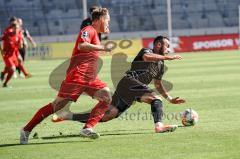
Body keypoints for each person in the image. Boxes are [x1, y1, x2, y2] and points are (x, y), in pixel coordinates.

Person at [52, 36, 186, 133]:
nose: (168, 49)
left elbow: (158, 84)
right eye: (167, 46)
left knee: (109, 114)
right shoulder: (146, 51)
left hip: (132, 90)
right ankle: (159, 126)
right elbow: (147, 58)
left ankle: (67, 116)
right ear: (158, 45)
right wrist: (167, 57)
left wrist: (170, 99)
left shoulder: (161, 65)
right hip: (128, 83)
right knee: (156, 100)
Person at [20, 8, 112, 144]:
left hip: (89, 78)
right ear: (100, 20)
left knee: (106, 97)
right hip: (77, 76)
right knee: (57, 105)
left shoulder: (95, 34)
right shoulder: (88, 29)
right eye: (108, 20)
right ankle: (26, 129)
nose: (109, 24)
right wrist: (103, 48)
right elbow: (82, 45)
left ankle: (88, 128)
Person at [0, 17, 30, 87]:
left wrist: (21, 44)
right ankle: (6, 80)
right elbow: (1, 38)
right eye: (15, 28)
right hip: (6, 54)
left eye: (17, 28)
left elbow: (20, 46)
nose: (17, 29)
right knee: (12, 68)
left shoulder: (18, 35)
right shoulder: (7, 33)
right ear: (12, 28)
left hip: (13, 53)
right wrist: (1, 50)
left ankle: (4, 78)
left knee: (12, 66)